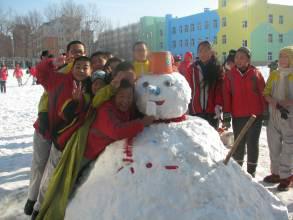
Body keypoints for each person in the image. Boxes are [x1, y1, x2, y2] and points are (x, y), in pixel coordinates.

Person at [30, 56, 92, 219]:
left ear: (90, 70)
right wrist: (51, 62)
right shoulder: (60, 79)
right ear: (71, 67)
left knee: (55, 175)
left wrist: (77, 102)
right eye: (78, 66)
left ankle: (46, 206)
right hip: (48, 131)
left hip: (66, 138)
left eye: (85, 67)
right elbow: (41, 74)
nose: (81, 70)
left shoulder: (92, 89)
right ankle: (35, 204)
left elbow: (75, 116)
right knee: (42, 168)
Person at [223, 47, 266, 177]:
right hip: (238, 115)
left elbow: (263, 93)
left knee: (252, 143)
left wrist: (265, 112)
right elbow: (227, 96)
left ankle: (251, 172)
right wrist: (226, 115)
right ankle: (239, 171)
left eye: (242, 57)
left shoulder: (255, 73)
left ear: (248, 59)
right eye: (236, 57)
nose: (238, 60)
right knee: (238, 143)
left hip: (255, 116)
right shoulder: (230, 75)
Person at [263, 46, 293, 191]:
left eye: (285, 56)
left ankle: (286, 176)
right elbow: (266, 92)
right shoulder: (274, 74)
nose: (282, 59)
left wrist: (287, 102)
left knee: (289, 147)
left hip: (290, 117)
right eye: (280, 56)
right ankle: (276, 173)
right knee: (273, 145)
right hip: (274, 115)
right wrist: (272, 100)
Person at [185, 41, 223, 129]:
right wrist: (186, 106)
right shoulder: (192, 69)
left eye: (206, 50)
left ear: (211, 52)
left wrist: (218, 105)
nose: (203, 53)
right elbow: (187, 89)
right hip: (195, 111)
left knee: (211, 140)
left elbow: (219, 90)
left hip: (212, 112)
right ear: (197, 53)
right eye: (200, 51)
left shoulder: (217, 68)